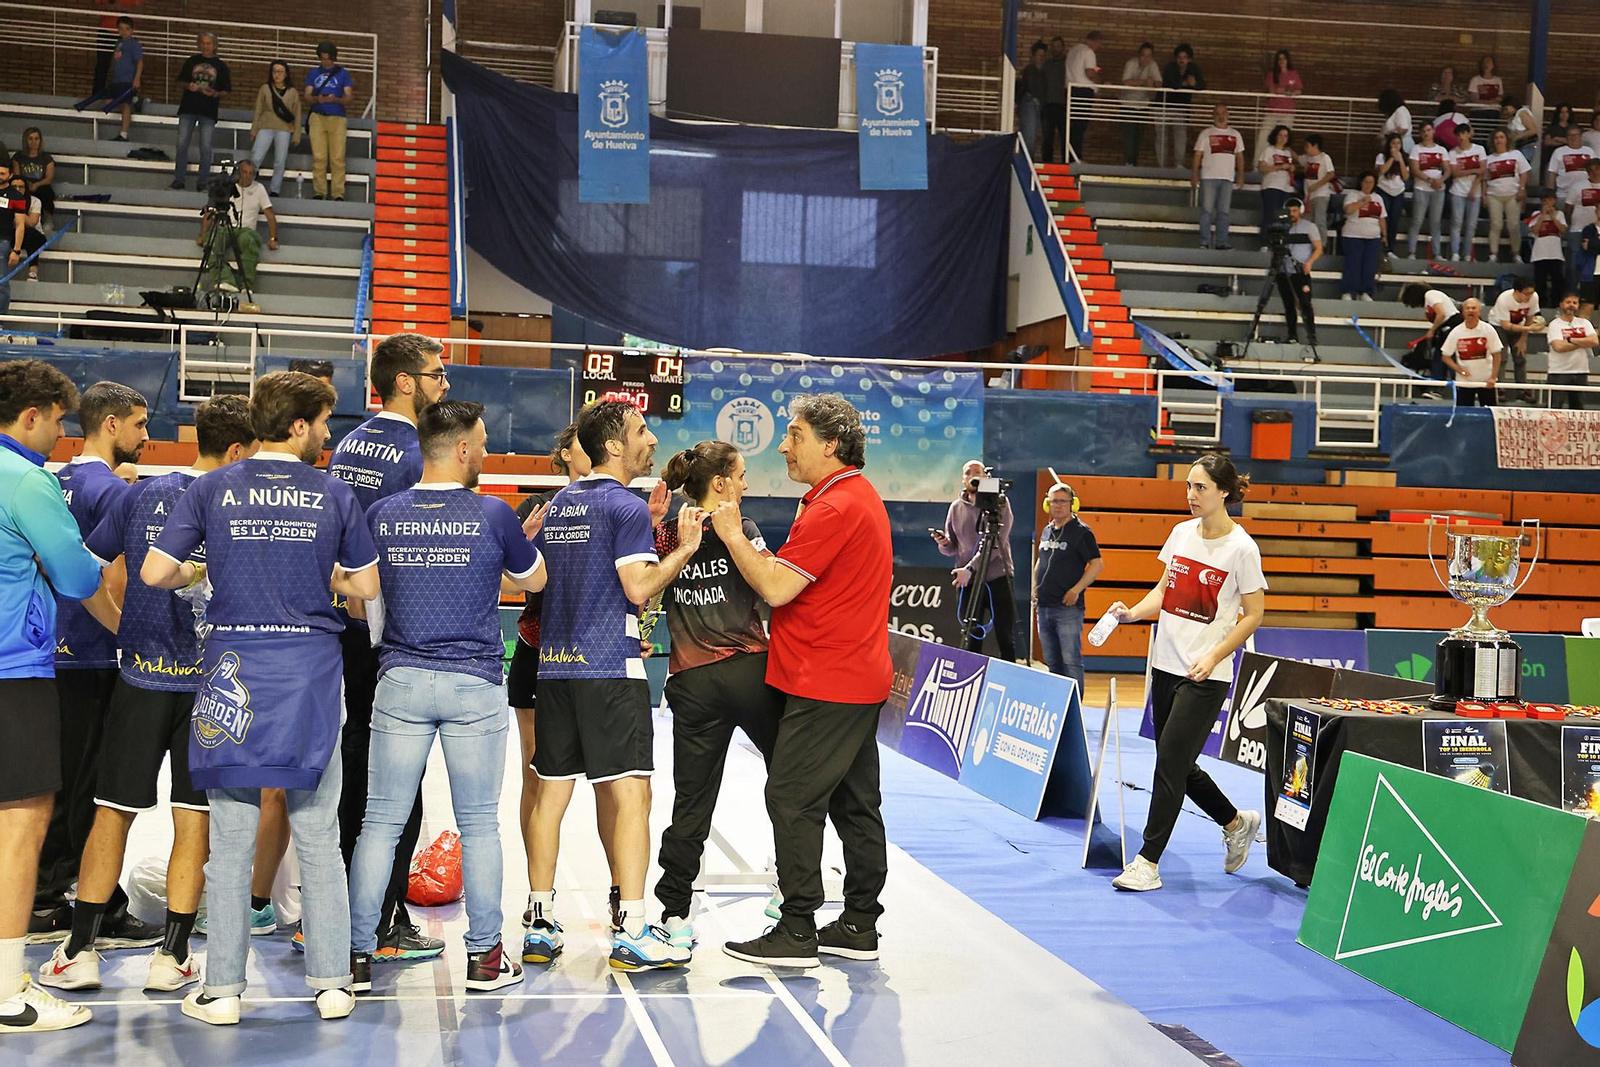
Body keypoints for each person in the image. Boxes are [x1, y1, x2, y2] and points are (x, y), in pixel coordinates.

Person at [142, 370, 379, 1025]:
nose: (329, 434)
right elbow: (364, 585)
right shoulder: (334, 494)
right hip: (308, 671)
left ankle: (222, 990)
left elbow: (156, 571)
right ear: (299, 425)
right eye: (325, 421)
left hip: (232, 669)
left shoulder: (212, 488)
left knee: (231, 840)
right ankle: (332, 983)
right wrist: (322, 572)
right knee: (318, 835)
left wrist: (205, 565)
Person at [40, 396, 258, 997]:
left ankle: (81, 951)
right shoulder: (244, 503)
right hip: (216, 687)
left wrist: (121, 628)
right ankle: (173, 957)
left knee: (112, 810)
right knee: (195, 819)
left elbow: (78, 573)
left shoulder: (140, 494)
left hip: (141, 678)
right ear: (238, 450)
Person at [348, 399, 545, 997]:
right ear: (461, 449)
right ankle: (485, 960)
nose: (484, 452)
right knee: (480, 825)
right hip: (475, 684)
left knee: (378, 823)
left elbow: (361, 598)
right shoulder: (494, 514)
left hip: (400, 680)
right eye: (482, 443)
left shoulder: (381, 514)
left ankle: (355, 956)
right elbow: (533, 580)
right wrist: (511, 552)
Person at [523, 400, 706, 972]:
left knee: (550, 794)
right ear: (612, 447)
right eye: (641, 432)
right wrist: (685, 548)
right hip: (609, 669)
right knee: (632, 795)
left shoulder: (559, 506)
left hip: (554, 668)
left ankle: (538, 921)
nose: (651, 440)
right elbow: (638, 586)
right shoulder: (624, 507)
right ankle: (630, 926)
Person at [710, 393, 891, 968]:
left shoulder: (836, 507)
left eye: (794, 435)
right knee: (856, 802)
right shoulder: (848, 498)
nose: (783, 446)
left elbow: (777, 587)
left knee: (790, 796)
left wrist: (731, 532)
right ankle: (860, 924)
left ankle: (795, 929)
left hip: (828, 680)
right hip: (850, 675)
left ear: (829, 445)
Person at [325, 332, 450, 965]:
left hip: (343, 628)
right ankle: (383, 918)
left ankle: (348, 906)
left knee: (353, 764)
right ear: (405, 381)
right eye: (436, 373)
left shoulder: (346, 444)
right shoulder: (414, 454)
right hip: (390, 636)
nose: (444, 384)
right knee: (397, 777)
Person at [1106, 454, 1265, 893]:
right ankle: (1236, 822)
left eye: (1201, 488)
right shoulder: (1179, 534)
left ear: (1224, 492)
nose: (1191, 495)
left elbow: (1254, 614)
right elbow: (1165, 591)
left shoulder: (1241, 548)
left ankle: (1148, 862)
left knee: (1170, 765)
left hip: (1205, 676)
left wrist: (1214, 656)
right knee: (1177, 762)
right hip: (1165, 667)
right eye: (1189, 487)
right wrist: (1133, 612)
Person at [649, 441, 784, 957]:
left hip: (691, 683)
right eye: (742, 475)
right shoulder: (742, 531)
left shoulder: (667, 532)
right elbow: (771, 587)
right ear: (721, 483)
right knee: (790, 780)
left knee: (691, 801)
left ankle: (675, 914)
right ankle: (790, 893)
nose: (747, 485)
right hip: (750, 673)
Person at [34, 382, 156, 951]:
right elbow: (112, 577)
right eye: (138, 425)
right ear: (111, 425)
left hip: (48, 648)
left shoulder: (55, 478)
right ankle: (94, 903)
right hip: (93, 652)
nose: (146, 437)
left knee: (57, 779)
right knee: (97, 787)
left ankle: (47, 894)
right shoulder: (110, 490)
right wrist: (128, 635)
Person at [0, 360, 103, 1033]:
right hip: (13, 669)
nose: (63, 432)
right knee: (21, 826)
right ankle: (9, 995)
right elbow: (77, 572)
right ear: (30, 413)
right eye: (59, 417)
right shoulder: (28, 479)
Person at [933, 459, 1017, 662]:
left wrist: (971, 567)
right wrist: (943, 542)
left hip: (998, 578)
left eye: (978, 471)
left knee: (1005, 636)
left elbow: (995, 543)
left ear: (986, 477)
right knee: (971, 636)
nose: (973, 475)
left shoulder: (1000, 503)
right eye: (968, 472)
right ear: (963, 479)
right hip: (968, 581)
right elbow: (952, 548)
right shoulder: (955, 508)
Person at [1032, 482, 1101, 693]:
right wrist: (1035, 586)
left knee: (1070, 659)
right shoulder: (1047, 530)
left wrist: (1076, 590)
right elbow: (1040, 561)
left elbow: (1097, 564)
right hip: (1044, 606)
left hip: (1067, 608)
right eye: (1054, 501)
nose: (1058, 506)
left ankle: (1075, 708)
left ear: (1073, 504)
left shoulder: (1081, 532)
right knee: (1053, 660)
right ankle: (1058, 704)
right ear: (1047, 504)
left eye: (1063, 501)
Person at [197, 160, 277, 292]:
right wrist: (202, 234)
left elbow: (270, 214)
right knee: (211, 243)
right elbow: (210, 212)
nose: (248, 176)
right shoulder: (226, 187)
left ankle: (246, 285)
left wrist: (273, 238)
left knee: (249, 242)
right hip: (225, 227)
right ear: (238, 172)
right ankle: (226, 279)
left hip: (247, 231)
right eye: (245, 172)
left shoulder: (259, 188)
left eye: (251, 173)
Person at [171, 32, 232, 192]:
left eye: (209, 43)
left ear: (215, 45)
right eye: (203, 43)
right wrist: (188, 86)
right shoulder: (192, 61)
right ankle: (179, 179)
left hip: (208, 111)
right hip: (188, 108)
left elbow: (226, 90)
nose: (205, 46)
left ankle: (202, 182)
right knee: (182, 144)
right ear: (199, 44)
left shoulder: (221, 66)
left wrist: (215, 94)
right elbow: (180, 81)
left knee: (205, 147)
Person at [305, 41, 355, 201]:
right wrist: (316, 99)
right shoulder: (313, 73)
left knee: (337, 157)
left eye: (328, 59)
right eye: (323, 58)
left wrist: (336, 99)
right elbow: (307, 96)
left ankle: (337, 193)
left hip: (337, 117)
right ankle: (319, 191)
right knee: (319, 157)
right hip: (318, 116)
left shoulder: (343, 74)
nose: (326, 62)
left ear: (333, 58)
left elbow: (349, 97)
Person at [79, 17, 141, 143]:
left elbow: (140, 62)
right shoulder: (118, 43)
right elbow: (115, 61)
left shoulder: (134, 44)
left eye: (127, 29)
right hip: (116, 80)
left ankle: (123, 134)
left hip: (127, 79)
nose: (124, 32)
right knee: (108, 102)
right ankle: (135, 101)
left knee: (125, 105)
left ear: (132, 30)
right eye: (121, 29)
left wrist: (137, 78)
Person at [1192, 104, 1244, 251]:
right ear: (1213, 115)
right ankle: (1205, 242)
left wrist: (1240, 175)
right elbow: (1197, 155)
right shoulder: (1205, 133)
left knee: (1224, 212)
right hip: (1208, 177)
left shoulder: (1236, 134)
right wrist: (1194, 174)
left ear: (1228, 115)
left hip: (1227, 178)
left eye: (1223, 113)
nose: (1221, 116)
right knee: (1206, 211)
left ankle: (1221, 242)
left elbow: (1239, 156)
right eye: (1217, 113)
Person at [1549, 126, 1595, 279]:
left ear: (1581, 136)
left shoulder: (1589, 152)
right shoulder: (1559, 152)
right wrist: (1550, 192)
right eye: (1569, 135)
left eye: (1575, 135)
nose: (1573, 138)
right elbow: (1552, 173)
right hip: (1564, 194)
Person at [250, 60, 302, 198]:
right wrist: (254, 129)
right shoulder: (265, 89)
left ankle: (275, 189)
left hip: (284, 129)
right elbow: (258, 110)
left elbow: (297, 114)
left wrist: (297, 134)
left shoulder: (292, 92)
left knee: (280, 160)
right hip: (265, 126)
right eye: (274, 71)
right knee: (256, 157)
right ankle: (250, 183)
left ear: (286, 74)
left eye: (280, 71)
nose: (277, 74)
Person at [1440, 297, 1504, 407]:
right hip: (1464, 383)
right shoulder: (1456, 332)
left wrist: (1493, 377)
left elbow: (1497, 355)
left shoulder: (1488, 329)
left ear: (1479, 311)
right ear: (1463, 312)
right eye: (1468, 308)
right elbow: (1445, 356)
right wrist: (1459, 370)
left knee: (1489, 413)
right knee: (1463, 415)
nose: (1471, 311)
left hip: (1486, 382)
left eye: (1474, 308)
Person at [1279, 197, 1322, 347]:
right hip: (1284, 272)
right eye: (1289, 211)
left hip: (1301, 271)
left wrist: (1309, 262)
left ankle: (1312, 336)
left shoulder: (1310, 227)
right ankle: (1292, 336)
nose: (1292, 213)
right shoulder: (1281, 228)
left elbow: (1318, 248)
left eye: (1295, 210)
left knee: (1305, 303)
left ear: (1300, 211)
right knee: (1288, 305)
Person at [1483, 129, 1530, 264]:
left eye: (1501, 137)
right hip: (1494, 195)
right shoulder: (1489, 159)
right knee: (1495, 224)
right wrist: (1484, 195)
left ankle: (1516, 254)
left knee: (1513, 225)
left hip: (1513, 194)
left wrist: (1522, 188)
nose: (1499, 140)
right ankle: (1493, 254)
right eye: (1496, 137)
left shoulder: (1516, 154)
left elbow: (1524, 173)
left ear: (1507, 139)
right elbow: (1485, 179)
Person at [1400, 283, 1462, 380]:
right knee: (1439, 359)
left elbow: (1441, 314)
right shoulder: (1428, 302)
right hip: (1445, 328)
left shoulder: (1430, 294)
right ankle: (1437, 385)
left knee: (1448, 357)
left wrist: (1432, 330)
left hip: (1452, 325)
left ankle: (1454, 385)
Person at [1487, 277, 1541, 388]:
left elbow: (1530, 318)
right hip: (1498, 326)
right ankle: (1499, 387)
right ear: (1517, 291)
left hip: (1519, 325)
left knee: (1520, 356)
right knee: (1501, 358)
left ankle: (1522, 388)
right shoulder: (1504, 299)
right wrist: (1530, 329)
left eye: (1531, 293)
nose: (1529, 296)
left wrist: (1523, 340)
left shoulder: (1534, 297)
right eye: (1526, 294)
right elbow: (1506, 325)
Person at [1340, 171, 1386, 301]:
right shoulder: (1353, 195)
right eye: (1366, 182)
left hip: (1373, 236)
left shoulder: (1378, 198)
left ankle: (1365, 292)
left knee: (1369, 266)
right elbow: (1348, 210)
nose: (1368, 185)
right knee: (1352, 264)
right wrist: (1363, 201)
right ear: (1361, 182)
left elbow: (1382, 218)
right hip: (1353, 235)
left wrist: (1384, 235)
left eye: (1371, 182)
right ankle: (1348, 291)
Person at [1547, 292, 1597, 409]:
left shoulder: (1585, 323)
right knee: (1555, 408)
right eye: (1568, 302)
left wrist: (1570, 340)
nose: (1571, 305)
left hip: (1581, 372)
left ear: (1578, 306)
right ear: (1561, 304)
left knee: (1578, 409)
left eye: (1575, 303)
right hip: (1559, 372)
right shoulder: (1555, 324)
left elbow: (1594, 341)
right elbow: (1558, 347)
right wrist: (1583, 342)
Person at [1159, 44, 1204, 171]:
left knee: (1180, 136)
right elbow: (1170, 84)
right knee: (1162, 137)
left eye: (1184, 57)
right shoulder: (1170, 67)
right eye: (1179, 57)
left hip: (1181, 107)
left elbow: (1202, 85)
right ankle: (1161, 165)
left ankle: (1179, 164)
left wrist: (1194, 83)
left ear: (1189, 59)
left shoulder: (1194, 69)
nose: (1181, 60)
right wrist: (1185, 83)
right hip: (1164, 105)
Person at [1408, 123, 1449, 259]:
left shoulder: (1442, 150)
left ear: (1433, 131)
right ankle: (1412, 252)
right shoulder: (1416, 149)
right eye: (1423, 130)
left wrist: (1441, 180)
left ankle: (1437, 253)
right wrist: (1431, 180)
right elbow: (1415, 170)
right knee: (1417, 220)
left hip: (1438, 189)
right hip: (1421, 188)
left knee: (1435, 222)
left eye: (1428, 130)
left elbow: (1448, 169)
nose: (1426, 133)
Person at [1446, 124, 1485, 262]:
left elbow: (1483, 171)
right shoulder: (1452, 153)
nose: (1461, 137)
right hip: (1457, 191)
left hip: (1475, 192)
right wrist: (1473, 170)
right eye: (1458, 135)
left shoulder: (1479, 149)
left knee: (1471, 224)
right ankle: (1455, 253)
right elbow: (1455, 173)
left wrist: (1474, 189)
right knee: (1457, 222)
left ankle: (1467, 254)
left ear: (1469, 134)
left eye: (1463, 133)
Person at [1063, 30, 1103, 162]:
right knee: (1080, 126)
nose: (1099, 47)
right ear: (1095, 41)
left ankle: (1068, 157)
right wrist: (1101, 83)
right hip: (1083, 92)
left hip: (1070, 91)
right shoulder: (1088, 52)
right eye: (1099, 44)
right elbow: (1090, 73)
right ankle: (1076, 157)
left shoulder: (1073, 50)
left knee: (1071, 126)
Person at [1119, 42, 1161, 166]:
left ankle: (1134, 163)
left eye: (1149, 56)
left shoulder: (1153, 65)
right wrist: (1143, 82)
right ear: (1138, 55)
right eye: (1143, 55)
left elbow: (1159, 83)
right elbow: (1126, 81)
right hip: (1127, 104)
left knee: (1139, 136)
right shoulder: (1131, 63)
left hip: (1143, 105)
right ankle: (1128, 163)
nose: (1146, 58)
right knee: (1129, 136)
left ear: (1152, 57)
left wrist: (1152, 83)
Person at [1258, 50, 1301, 161]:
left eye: (1284, 58)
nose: (1282, 61)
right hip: (1273, 110)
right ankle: (1257, 164)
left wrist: (1288, 92)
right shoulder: (1272, 74)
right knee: (1264, 136)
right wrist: (1286, 90)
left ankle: (1283, 162)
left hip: (1288, 112)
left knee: (1284, 138)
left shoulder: (1293, 74)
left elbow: (1298, 91)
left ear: (1288, 60)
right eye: (1279, 59)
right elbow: (1274, 90)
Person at [1529, 194, 1569, 309]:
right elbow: (1534, 230)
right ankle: (1540, 305)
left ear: (1554, 201)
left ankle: (1556, 304)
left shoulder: (1560, 214)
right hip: (1539, 254)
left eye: (1550, 200)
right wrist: (1542, 216)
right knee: (1540, 282)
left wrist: (1553, 216)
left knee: (1558, 281)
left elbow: (1563, 229)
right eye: (1545, 200)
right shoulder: (1535, 215)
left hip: (1555, 254)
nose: (1547, 202)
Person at [11, 128, 55, 230]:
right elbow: (17, 175)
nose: (34, 142)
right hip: (23, 184)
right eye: (30, 139)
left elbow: (49, 177)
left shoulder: (46, 157)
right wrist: (26, 184)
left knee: (46, 192)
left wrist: (36, 185)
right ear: (25, 140)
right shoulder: (18, 157)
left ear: (40, 141)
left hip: (41, 185)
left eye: (36, 139)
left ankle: (48, 220)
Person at [1257, 125, 1296, 237]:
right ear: (1275, 136)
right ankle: (1265, 242)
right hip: (1271, 186)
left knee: (1283, 217)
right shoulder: (1269, 150)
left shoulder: (1288, 153)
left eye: (1285, 136)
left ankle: (1279, 242)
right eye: (1280, 135)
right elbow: (1262, 168)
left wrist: (1291, 168)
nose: (1283, 138)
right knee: (1270, 215)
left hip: (1286, 188)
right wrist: (1279, 167)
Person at [1374, 132, 1410, 252]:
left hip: (1398, 191)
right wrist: (1391, 158)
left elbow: (1406, 176)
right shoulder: (1381, 156)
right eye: (1393, 143)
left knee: (1394, 221)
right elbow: (1382, 170)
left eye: (1399, 143)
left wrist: (1400, 160)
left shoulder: (1404, 157)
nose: (1396, 145)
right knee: (1384, 219)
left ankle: (1390, 248)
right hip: (1384, 190)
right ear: (1389, 144)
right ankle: (1380, 247)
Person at [8, 174, 46, 282]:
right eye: (14, 187)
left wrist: (17, 208)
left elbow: (32, 223)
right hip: (12, 234)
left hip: (32, 235)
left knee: (30, 234)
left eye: (21, 187)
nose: (17, 189)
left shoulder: (35, 201)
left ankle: (33, 271)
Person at [1299, 133, 1337, 235]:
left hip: (1321, 194)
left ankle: (1321, 244)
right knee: (1308, 221)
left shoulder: (1325, 157)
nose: (1305, 149)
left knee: (1319, 220)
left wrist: (1317, 185)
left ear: (1315, 146)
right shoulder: (1307, 158)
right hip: (1309, 195)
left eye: (1307, 146)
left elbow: (1331, 174)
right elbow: (1297, 158)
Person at [1018, 41, 1048, 160]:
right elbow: (1032, 88)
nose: (1041, 58)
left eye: (1043, 56)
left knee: (1032, 136)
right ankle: (1026, 164)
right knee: (1029, 137)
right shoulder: (1030, 70)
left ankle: (1027, 161)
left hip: (1036, 104)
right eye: (1039, 55)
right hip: (1030, 102)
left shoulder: (1042, 73)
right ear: (1033, 57)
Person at [0, 162, 23, 310]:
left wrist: (16, 250)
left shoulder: (16, 196)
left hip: (3, 241)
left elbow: (20, 224)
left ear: (10, 175)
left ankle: (0, 321)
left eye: (2, 173)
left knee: (2, 282)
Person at [1466, 55, 1502, 127]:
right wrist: (1490, 102)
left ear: (1493, 65)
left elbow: (1500, 97)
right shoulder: (1475, 80)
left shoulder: (1497, 80)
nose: (1486, 64)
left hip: (1493, 111)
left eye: (1489, 62)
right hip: (1478, 111)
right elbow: (1473, 98)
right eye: (1484, 62)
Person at [1503, 94, 1539, 163]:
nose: (1506, 111)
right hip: (1517, 146)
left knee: (1523, 164)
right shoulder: (1512, 118)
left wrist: (1518, 137)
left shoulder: (1522, 113)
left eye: (1506, 109)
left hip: (1525, 145)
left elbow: (1533, 130)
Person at [1378, 89, 1414, 155]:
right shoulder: (1395, 113)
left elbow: (1404, 128)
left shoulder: (1401, 111)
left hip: (1402, 146)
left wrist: (1387, 135)